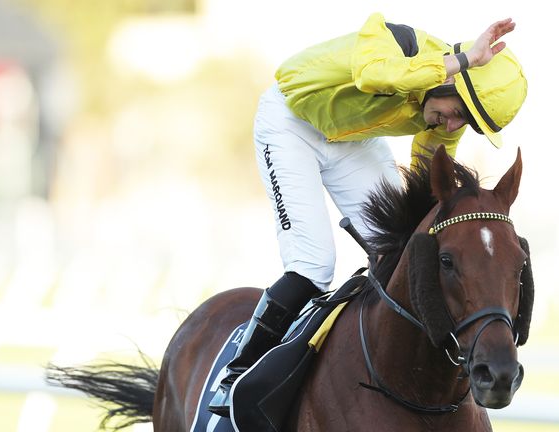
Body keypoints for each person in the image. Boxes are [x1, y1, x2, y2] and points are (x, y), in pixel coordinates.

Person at [208, 12, 527, 416]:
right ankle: (237, 371)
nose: (453, 123)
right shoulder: (396, 40)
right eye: (457, 110)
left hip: (354, 141)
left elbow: (425, 177)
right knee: (313, 264)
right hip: (291, 123)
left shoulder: (450, 112)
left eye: (467, 122)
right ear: (450, 80)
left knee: (404, 248)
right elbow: (374, 76)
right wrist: (461, 61)